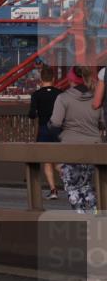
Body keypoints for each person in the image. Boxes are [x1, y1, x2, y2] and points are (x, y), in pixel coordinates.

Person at [48, 66, 103, 213]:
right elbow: (102, 123)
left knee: (72, 187)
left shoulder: (63, 98)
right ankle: (94, 214)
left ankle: (82, 219)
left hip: (70, 148)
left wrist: (54, 131)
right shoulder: (96, 97)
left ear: (71, 79)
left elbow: (55, 124)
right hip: (93, 148)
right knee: (85, 185)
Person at [29, 67, 63, 197]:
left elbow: (32, 114)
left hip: (44, 128)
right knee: (59, 160)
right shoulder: (60, 94)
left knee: (47, 161)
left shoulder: (36, 95)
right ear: (53, 79)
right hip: (58, 129)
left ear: (41, 79)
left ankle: (53, 190)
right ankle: (72, 182)